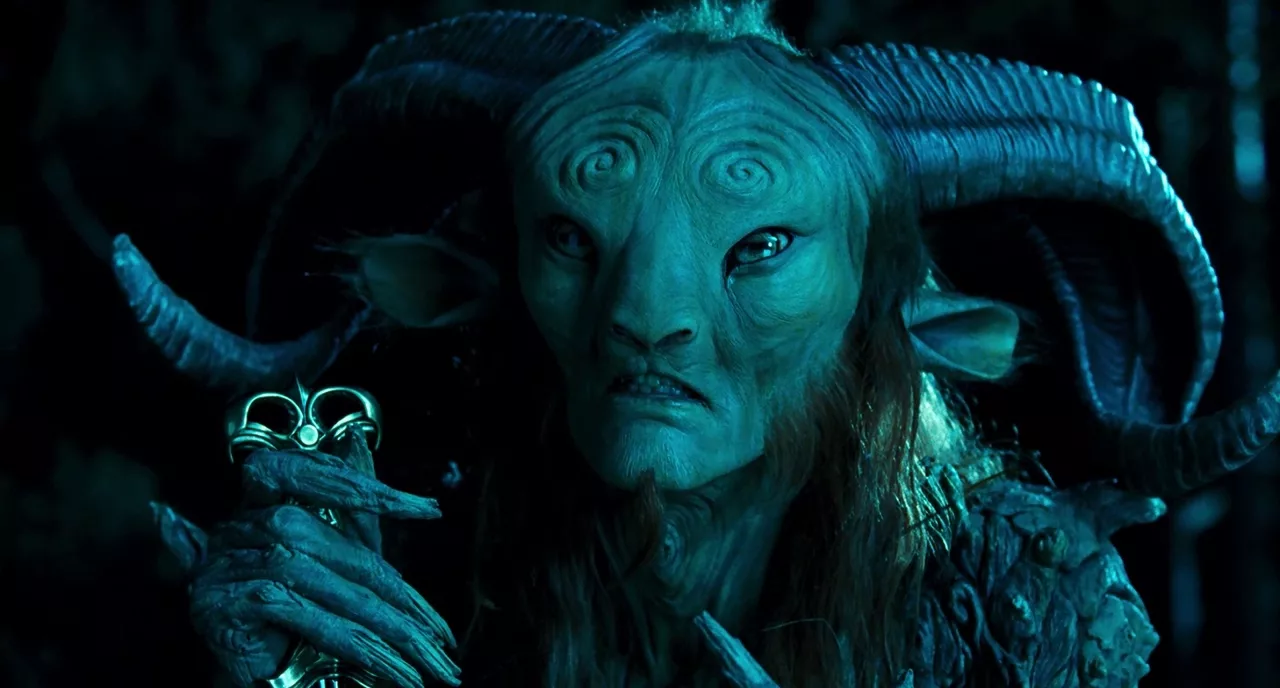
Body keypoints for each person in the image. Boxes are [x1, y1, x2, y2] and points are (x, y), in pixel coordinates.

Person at [107, 2, 1280, 686]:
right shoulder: (401, 556)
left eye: (757, 245)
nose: (644, 313)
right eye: (573, 237)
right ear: (486, 284)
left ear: (890, 313)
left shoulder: (1011, 593)